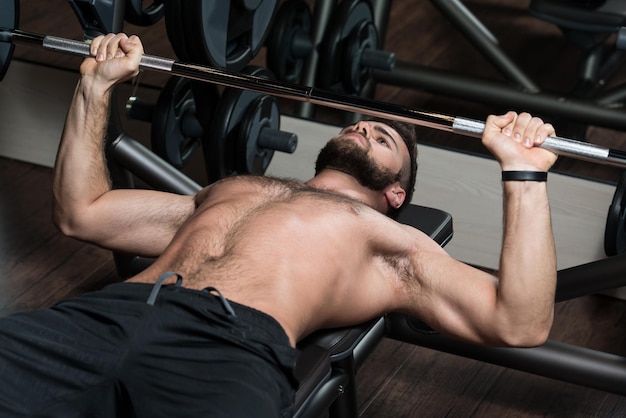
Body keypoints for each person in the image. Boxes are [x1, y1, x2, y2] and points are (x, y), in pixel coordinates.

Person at [0, 33, 558, 417]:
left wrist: (524, 173)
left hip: (225, 351)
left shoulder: (390, 244)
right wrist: (95, 86)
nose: (365, 127)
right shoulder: (231, 191)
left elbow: (519, 323)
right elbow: (82, 212)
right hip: (104, 319)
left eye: (385, 139)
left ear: (397, 192)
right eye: (363, 123)